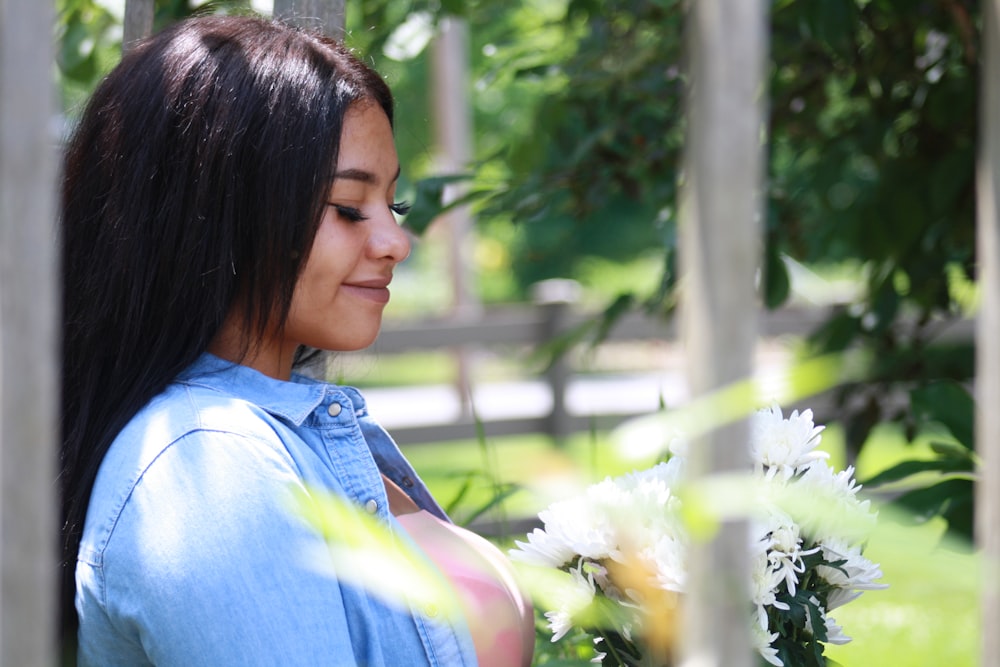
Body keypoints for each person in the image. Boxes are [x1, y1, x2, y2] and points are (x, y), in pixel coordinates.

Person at [58, 15, 533, 666]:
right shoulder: (208, 469)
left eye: (393, 206)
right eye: (347, 207)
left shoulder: (288, 429)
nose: (395, 241)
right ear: (221, 210)